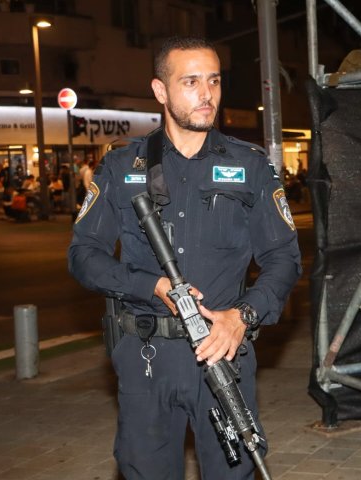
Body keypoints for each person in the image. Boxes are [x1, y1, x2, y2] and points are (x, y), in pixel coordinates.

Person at [67, 36, 301, 479]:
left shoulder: (249, 165)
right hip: (146, 355)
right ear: (160, 91)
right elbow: (83, 256)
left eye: (213, 81)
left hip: (224, 352)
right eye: (190, 81)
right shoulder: (122, 167)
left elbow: (284, 258)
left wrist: (243, 316)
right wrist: (147, 285)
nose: (206, 94)